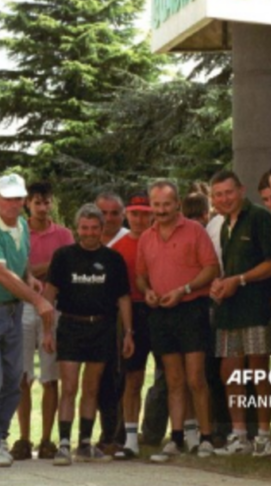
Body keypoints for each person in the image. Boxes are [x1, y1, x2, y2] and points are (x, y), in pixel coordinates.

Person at [0, 173, 54, 467]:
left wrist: (30, 278)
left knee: (13, 381)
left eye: (18, 198)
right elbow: (2, 274)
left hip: (12, 311)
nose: (13, 203)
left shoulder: (21, 225)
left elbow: (21, 263)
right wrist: (38, 299)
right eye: (7, 197)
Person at [41, 203, 133, 465]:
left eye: (94, 228)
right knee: (68, 386)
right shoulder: (63, 256)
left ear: (102, 229)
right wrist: (47, 331)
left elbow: (123, 298)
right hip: (70, 325)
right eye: (85, 228)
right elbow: (49, 294)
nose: (90, 233)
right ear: (77, 228)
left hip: (102, 327)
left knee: (91, 388)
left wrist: (128, 333)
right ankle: (64, 444)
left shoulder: (113, 259)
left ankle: (84, 443)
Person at [137, 179, 220, 462]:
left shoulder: (194, 230)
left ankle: (206, 437)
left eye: (166, 204)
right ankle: (176, 438)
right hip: (160, 313)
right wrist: (147, 291)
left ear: (177, 204)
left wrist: (183, 289)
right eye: (156, 205)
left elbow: (212, 268)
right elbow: (140, 274)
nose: (160, 210)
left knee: (196, 377)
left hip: (190, 309)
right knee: (173, 380)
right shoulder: (146, 237)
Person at [208, 171, 271, 456]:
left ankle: (262, 434)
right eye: (218, 194)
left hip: (256, 309)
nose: (224, 199)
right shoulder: (223, 225)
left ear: (241, 190)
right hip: (229, 310)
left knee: (258, 372)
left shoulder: (260, 217)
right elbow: (228, 269)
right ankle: (238, 436)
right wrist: (220, 283)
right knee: (230, 372)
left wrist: (240, 280)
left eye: (228, 192)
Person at [12, 181, 73, 461]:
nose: (42, 207)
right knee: (23, 376)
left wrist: (36, 270)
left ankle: (47, 439)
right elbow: (16, 272)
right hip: (22, 305)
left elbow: (69, 270)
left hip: (55, 306)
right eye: (37, 202)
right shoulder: (17, 231)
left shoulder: (64, 234)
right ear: (28, 203)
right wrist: (52, 265)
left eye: (47, 202)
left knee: (51, 376)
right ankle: (24, 438)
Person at [111, 192, 153, 459]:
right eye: (135, 213)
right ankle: (130, 438)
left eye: (144, 213)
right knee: (132, 377)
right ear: (127, 214)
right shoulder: (118, 248)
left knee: (174, 374)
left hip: (160, 308)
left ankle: (185, 434)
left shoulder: (160, 239)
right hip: (131, 311)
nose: (139, 218)